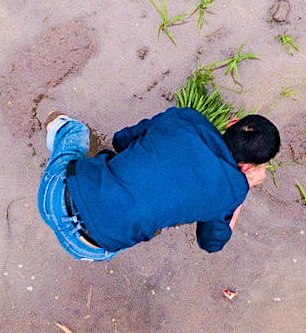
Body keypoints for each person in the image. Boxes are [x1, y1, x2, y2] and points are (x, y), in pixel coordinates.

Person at [37, 107, 279, 260]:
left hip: (53, 196)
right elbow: (212, 242)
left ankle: (56, 125)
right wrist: (242, 190)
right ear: (248, 167)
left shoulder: (187, 118)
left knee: (76, 133)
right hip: (89, 247)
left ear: (232, 123)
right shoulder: (233, 191)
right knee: (145, 221)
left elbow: (121, 140)